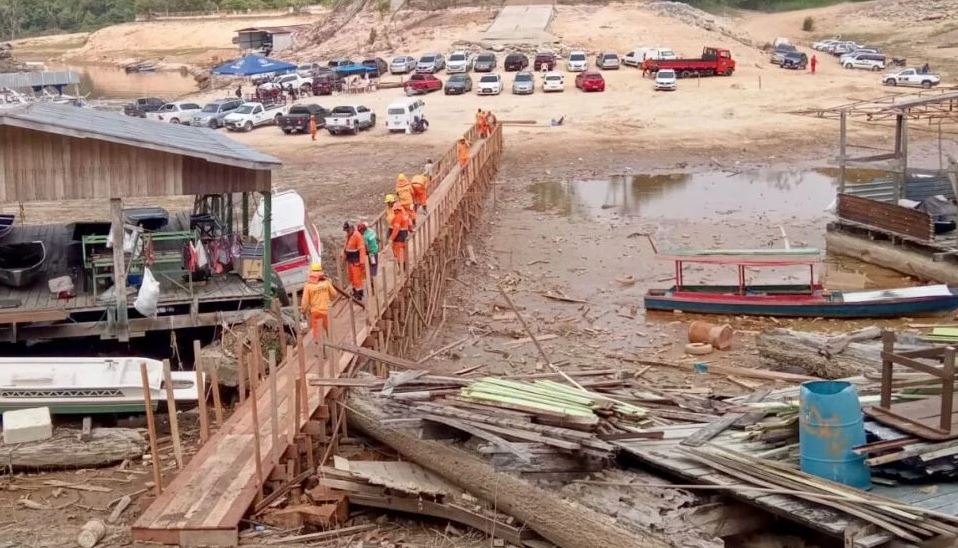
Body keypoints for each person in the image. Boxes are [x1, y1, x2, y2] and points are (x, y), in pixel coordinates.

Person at [300, 263, 335, 338]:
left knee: (317, 334)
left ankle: (319, 346)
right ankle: (331, 346)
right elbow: (334, 294)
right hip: (326, 311)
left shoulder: (308, 286)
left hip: (315, 312)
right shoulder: (326, 283)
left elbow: (305, 302)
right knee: (330, 332)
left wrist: (303, 311)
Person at [342, 222, 366, 300]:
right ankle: (354, 292)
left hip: (356, 262)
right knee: (351, 277)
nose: (347, 232)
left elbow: (362, 250)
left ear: (352, 228)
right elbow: (346, 246)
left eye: (348, 230)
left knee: (357, 279)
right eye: (346, 230)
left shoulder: (357, 236)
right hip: (350, 261)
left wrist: (362, 262)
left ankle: (359, 295)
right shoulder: (349, 236)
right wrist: (343, 254)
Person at [389, 201, 412, 269]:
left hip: (398, 238)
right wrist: (410, 230)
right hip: (404, 237)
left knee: (399, 254)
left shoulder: (398, 217)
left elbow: (396, 229)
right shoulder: (405, 215)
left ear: (397, 209)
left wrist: (391, 239)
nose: (393, 211)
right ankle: (405, 268)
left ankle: (402, 270)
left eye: (394, 210)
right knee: (404, 253)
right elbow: (410, 224)